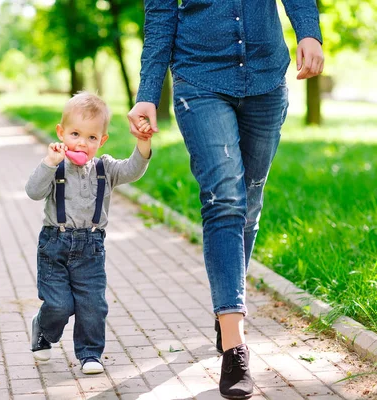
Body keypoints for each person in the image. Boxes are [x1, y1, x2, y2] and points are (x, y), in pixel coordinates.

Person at [128, 1, 324, 398]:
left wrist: (309, 31)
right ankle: (235, 345)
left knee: (248, 202)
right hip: (199, 79)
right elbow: (161, 15)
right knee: (224, 200)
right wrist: (148, 92)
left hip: (266, 77)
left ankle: (226, 309)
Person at [26, 92, 152, 374]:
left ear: (102, 140)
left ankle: (90, 354)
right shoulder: (55, 164)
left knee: (93, 304)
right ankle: (43, 328)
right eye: (75, 134)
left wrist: (143, 144)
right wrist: (49, 162)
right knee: (59, 304)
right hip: (54, 245)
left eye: (91, 138)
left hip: (91, 248)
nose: (82, 142)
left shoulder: (104, 167)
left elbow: (132, 170)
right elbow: (33, 192)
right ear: (61, 132)